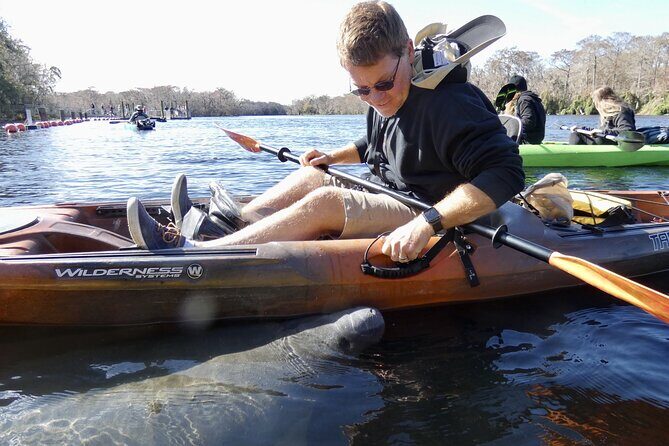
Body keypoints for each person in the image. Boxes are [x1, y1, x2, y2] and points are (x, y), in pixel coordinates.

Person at [125, 1, 525, 264]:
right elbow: (380, 144)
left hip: (429, 207)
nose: (375, 98)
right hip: (391, 190)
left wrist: (428, 223)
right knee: (316, 173)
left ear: (406, 49)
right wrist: (333, 157)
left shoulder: (451, 103)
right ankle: (235, 222)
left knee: (328, 200)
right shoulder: (389, 95)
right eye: (360, 89)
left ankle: (198, 254)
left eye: (383, 84)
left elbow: (505, 174)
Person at [569, 86, 636, 145]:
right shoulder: (608, 113)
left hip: (618, 142)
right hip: (606, 139)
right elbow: (600, 130)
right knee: (577, 133)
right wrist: (581, 129)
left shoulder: (622, 111)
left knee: (577, 135)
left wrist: (603, 132)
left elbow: (627, 131)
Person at [498, 75, 546, 144]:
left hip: (527, 141)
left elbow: (529, 122)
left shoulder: (524, 100)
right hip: (533, 139)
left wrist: (511, 124)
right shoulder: (531, 98)